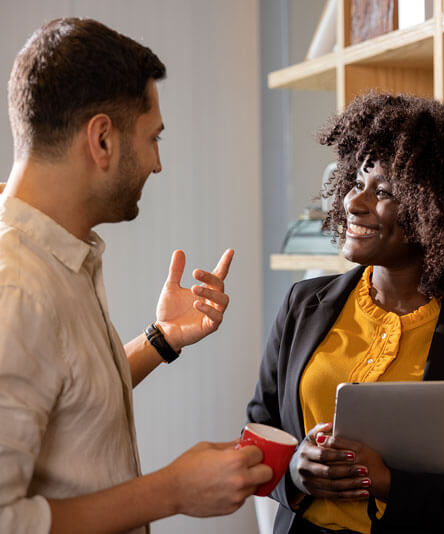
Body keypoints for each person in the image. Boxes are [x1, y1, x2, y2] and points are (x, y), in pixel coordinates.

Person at [0, 18, 272, 533]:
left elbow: (69, 393)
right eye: (153, 138)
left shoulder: (56, 257)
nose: (157, 162)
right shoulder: (16, 289)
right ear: (102, 139)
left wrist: (161, 339)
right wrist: (171, 490)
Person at [247, 92, 444, 534]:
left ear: (439, 210)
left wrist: (389, 483)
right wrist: (294, 470)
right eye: (356, 183)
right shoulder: (302, 305)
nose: (353, 202)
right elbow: (258, 434)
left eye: (383, 191)